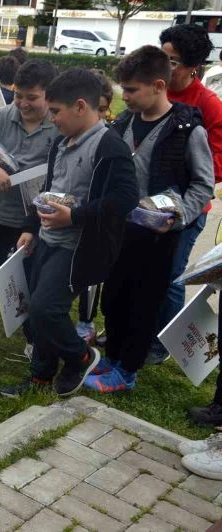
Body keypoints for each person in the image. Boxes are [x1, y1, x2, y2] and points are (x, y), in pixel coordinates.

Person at [0, 68, 138, 398]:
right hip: (47, 240)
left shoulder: (109, 146)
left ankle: (82, 357)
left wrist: (74, 216)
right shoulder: (61, 142)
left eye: (56, 111)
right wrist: (31, 227)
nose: (52, 118)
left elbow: (125, 199)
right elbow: (48, 188)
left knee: (46, 308)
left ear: (80, 106)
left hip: (77, 248)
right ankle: (40, 377)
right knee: (36, 309)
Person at [84, 46, 214, 393]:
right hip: (119, 232)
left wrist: (177, 216)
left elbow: (203, 185)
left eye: (131, 90)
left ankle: (127, 371)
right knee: (114, 299)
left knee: (143, 305)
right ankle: (112, 357)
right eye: (122, 89)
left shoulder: (187, 129)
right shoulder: (123, 123)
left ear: (158, 85)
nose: (124, 96)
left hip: (158, 239)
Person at [0, 59, 59, 350]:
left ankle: (33, 339)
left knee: (31, 279)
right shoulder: (3, 115)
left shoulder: (58, 124)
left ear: (50, 95)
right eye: (18, 95)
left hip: (36, 218)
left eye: (32, 98)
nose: (24, 104)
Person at [146, 24, 222, 365]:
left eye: (172, 61)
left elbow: (217, 164)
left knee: (171, 276)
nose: (165, 66)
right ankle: (142, 328)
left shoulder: (208, 105)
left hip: (185, 208)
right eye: (162, 56)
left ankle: (164, 342)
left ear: (193, 66)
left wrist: (178, 178)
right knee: (143, 271)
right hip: (148, 203)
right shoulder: (155, 90)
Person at [74, 69, 115, 344]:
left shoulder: (110, 137)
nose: (98, 116)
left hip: (95, 218)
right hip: (69, 216)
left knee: (91, 277)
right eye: (94, 109)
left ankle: (86, 321)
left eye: (103, 110)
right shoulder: (68, 134)